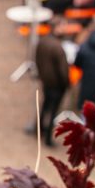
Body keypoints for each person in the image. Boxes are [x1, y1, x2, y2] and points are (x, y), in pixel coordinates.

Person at [34, 18, 70, 147]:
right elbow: (63, 71)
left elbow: (37, 59)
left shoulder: (42, 41)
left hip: (46, 81)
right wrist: (67, 84)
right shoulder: (58, 48)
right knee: (53, 110)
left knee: (45, 105)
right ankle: (48, 137)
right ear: (56, 28)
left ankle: (37, 129)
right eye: (63, 26)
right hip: (56, 85)